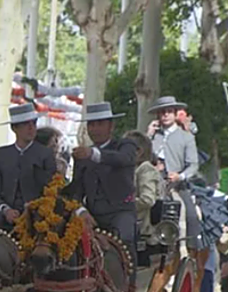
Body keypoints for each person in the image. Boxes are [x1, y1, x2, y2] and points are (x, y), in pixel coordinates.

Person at [0, 103, 57, 229]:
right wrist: (6, 210)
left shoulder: (45, 154)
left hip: (36, 215)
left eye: (33, 123)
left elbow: (52, 191)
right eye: (26, 124)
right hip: (5, 215)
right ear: (14, 128)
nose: (31, 128)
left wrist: (34, 207)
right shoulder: (2, 154)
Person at [70, 102, 137, 249]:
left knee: (124, 242)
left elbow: (123, 159)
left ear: (111, 126)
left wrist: (93, 154)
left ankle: (129, 272)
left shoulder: (125, 145)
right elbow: (75, 191)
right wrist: (81, 211)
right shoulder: (82, 155)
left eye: (100, 124)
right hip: (93, 215)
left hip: (120, 212)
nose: (95, 129)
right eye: (91, 125)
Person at [148, 96, 202, 250]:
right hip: (152, 186)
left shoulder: (186, 137)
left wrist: (180, 176)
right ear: (157, 115)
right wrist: (148, 135)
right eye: (162, 112)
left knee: (191, 216)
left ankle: (192, 249)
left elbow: (193, 165)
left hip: (177, 185)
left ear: (174, 114)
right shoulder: (153, 137)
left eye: (169, 111)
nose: (165, 115)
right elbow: (141, 157)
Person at [125, 130, 162, 249]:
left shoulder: (146, 169)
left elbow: (147, 200)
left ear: (139, 152)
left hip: (141, 227)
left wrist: (123, 205)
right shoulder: (130, 169)